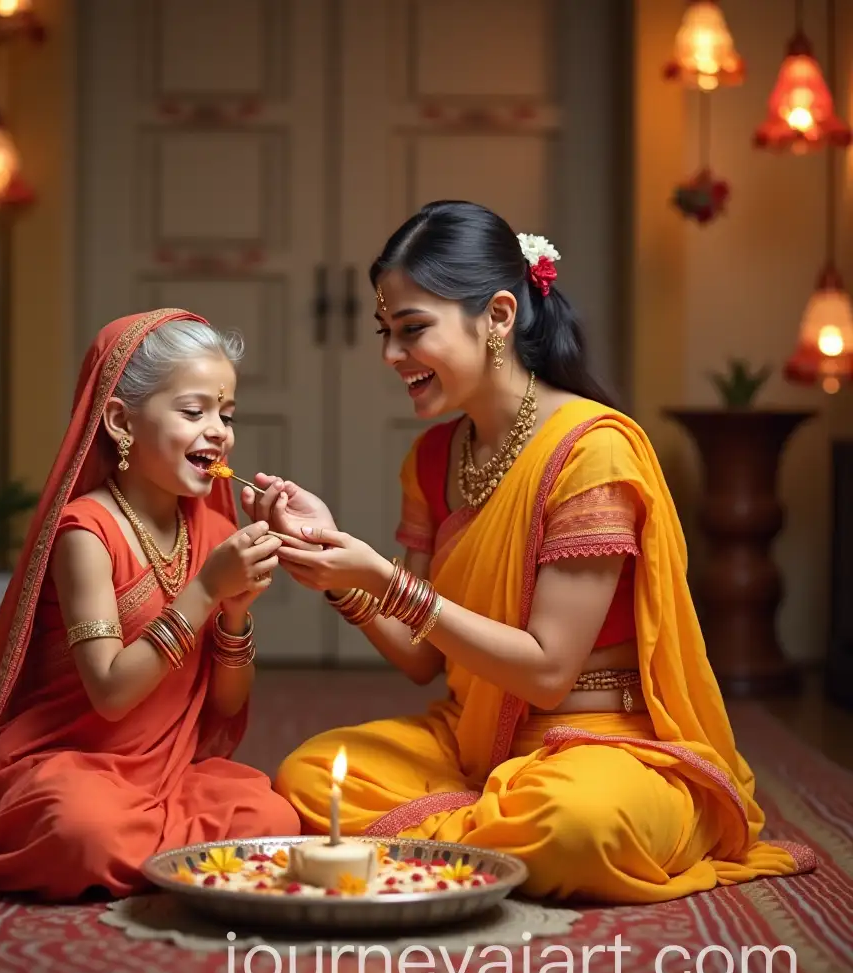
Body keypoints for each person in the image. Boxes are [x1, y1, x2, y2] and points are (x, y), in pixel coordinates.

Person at [244, 201, 815, 904]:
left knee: (573, 825)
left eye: (413, 330)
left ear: (500, 316)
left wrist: (383, 581)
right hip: (476, 741)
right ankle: (494, 836)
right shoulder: (431, 459)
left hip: (602, 742)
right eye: (384, 333)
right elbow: (423, 660)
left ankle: (496, 833)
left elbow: (546, 672)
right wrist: (334, 569)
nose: (392, 356)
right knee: (312, 772)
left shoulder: (591, 449)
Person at [0, 308, 300, 901]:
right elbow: (110, 695)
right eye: (194, 412)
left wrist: (235, 612)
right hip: (69, 764)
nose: (219, 431)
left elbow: (224, 706)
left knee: (271, 820)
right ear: (119, 420)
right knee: (81, 828)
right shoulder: (86, 533)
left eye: (227, 414)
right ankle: (149, 853)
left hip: (164, 775)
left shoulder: (210, 531)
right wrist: (207, 591)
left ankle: (147, 848)